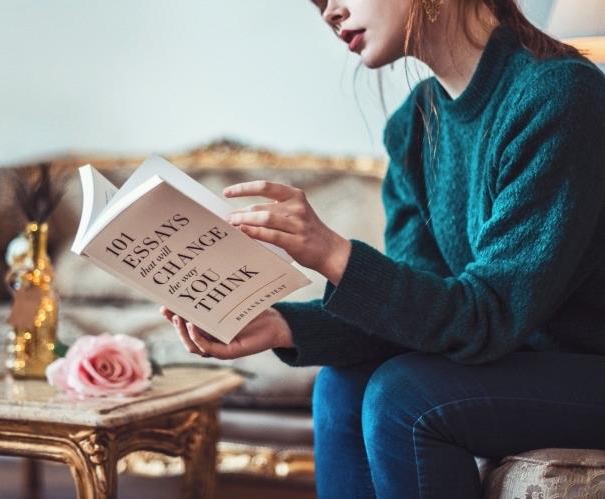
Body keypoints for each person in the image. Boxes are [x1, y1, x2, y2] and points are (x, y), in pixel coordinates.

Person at [161, 0, 605, 497]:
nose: (328, 12)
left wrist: (332, 253)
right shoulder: (414, 125)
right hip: (520, 361)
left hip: (589, 366)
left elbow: (489, 316)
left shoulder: (559, 94)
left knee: (405, 396)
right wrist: (281, 324)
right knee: (341, 386)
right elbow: (422, 311)